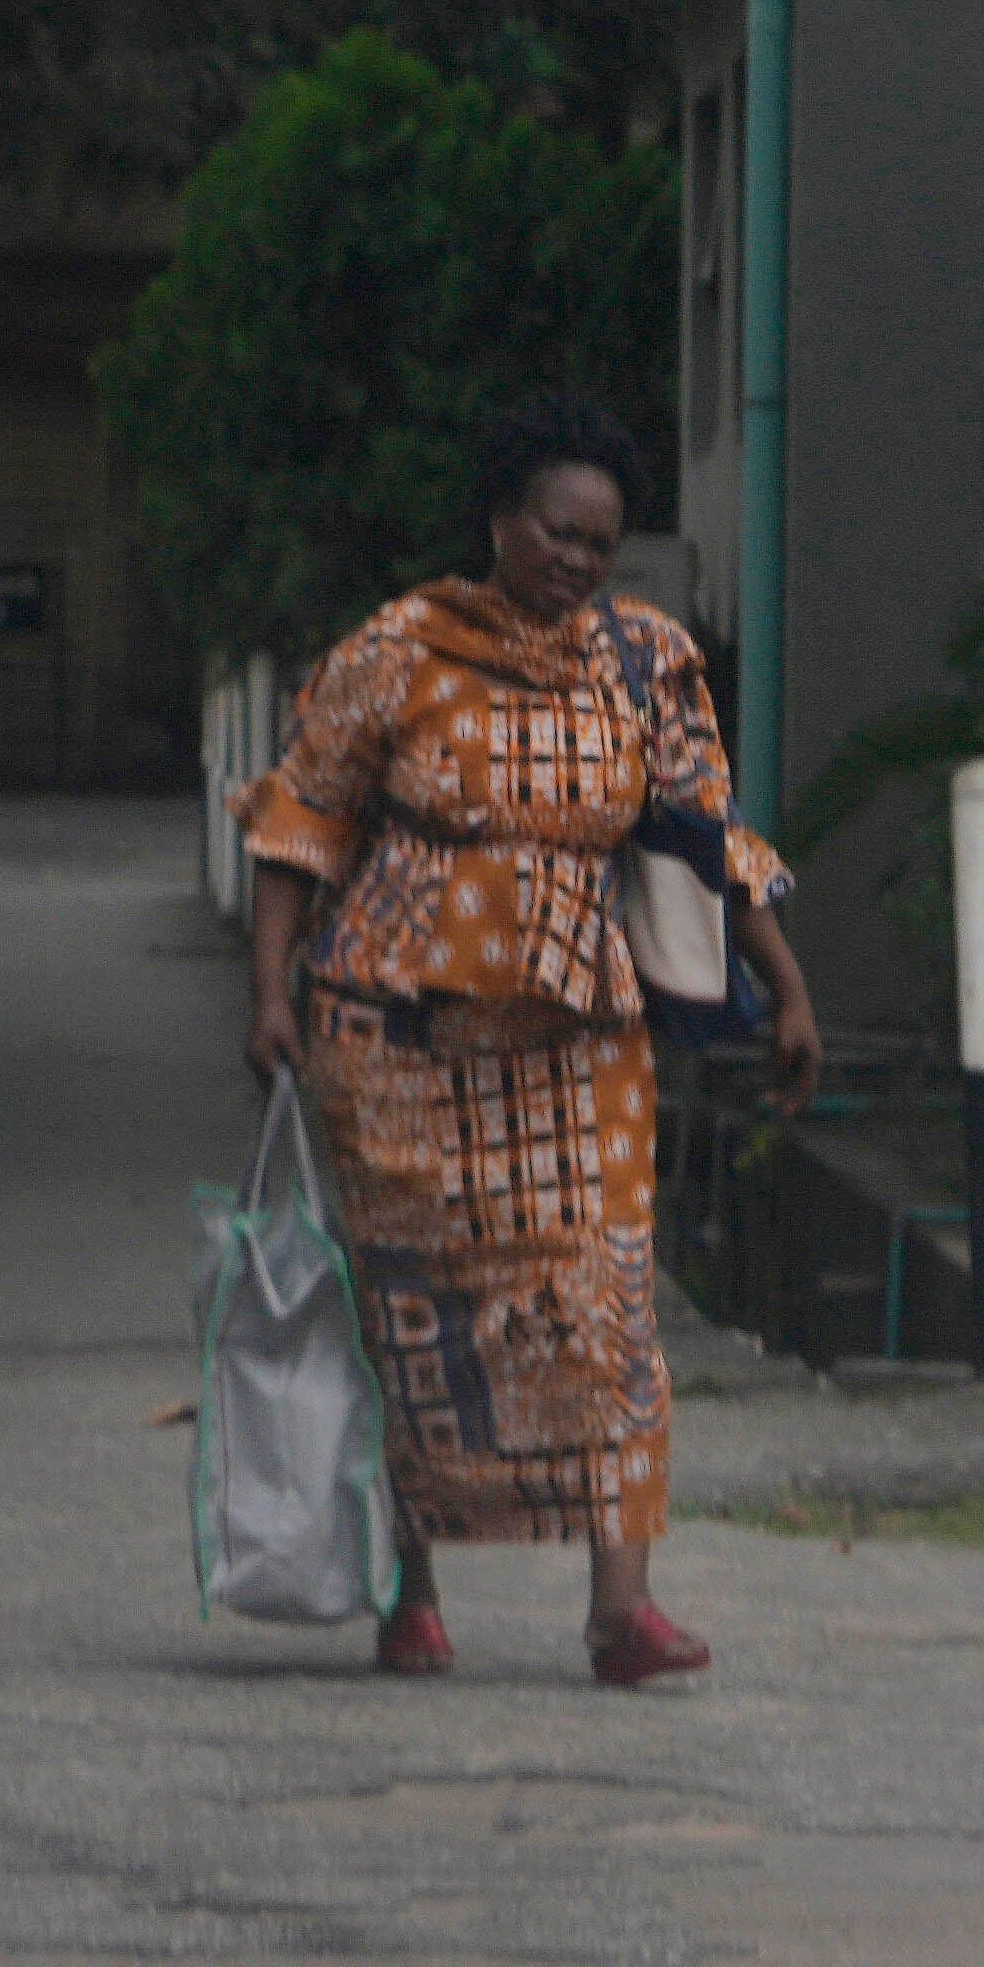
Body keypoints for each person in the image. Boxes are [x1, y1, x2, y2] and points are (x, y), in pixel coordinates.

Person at [233, 394, 824, 1686]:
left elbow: (704, 831)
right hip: (395, 1033)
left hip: (579, 1030)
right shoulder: (398, 647)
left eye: (602, 543)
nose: (577, 560)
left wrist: (784, 984)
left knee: (606, 1307)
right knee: (414, 1319)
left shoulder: (644, 656)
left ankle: (624, 1610)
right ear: (501, 520)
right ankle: (412, 1590)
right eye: (558, 531)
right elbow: (302, 819)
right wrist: (271, 990)